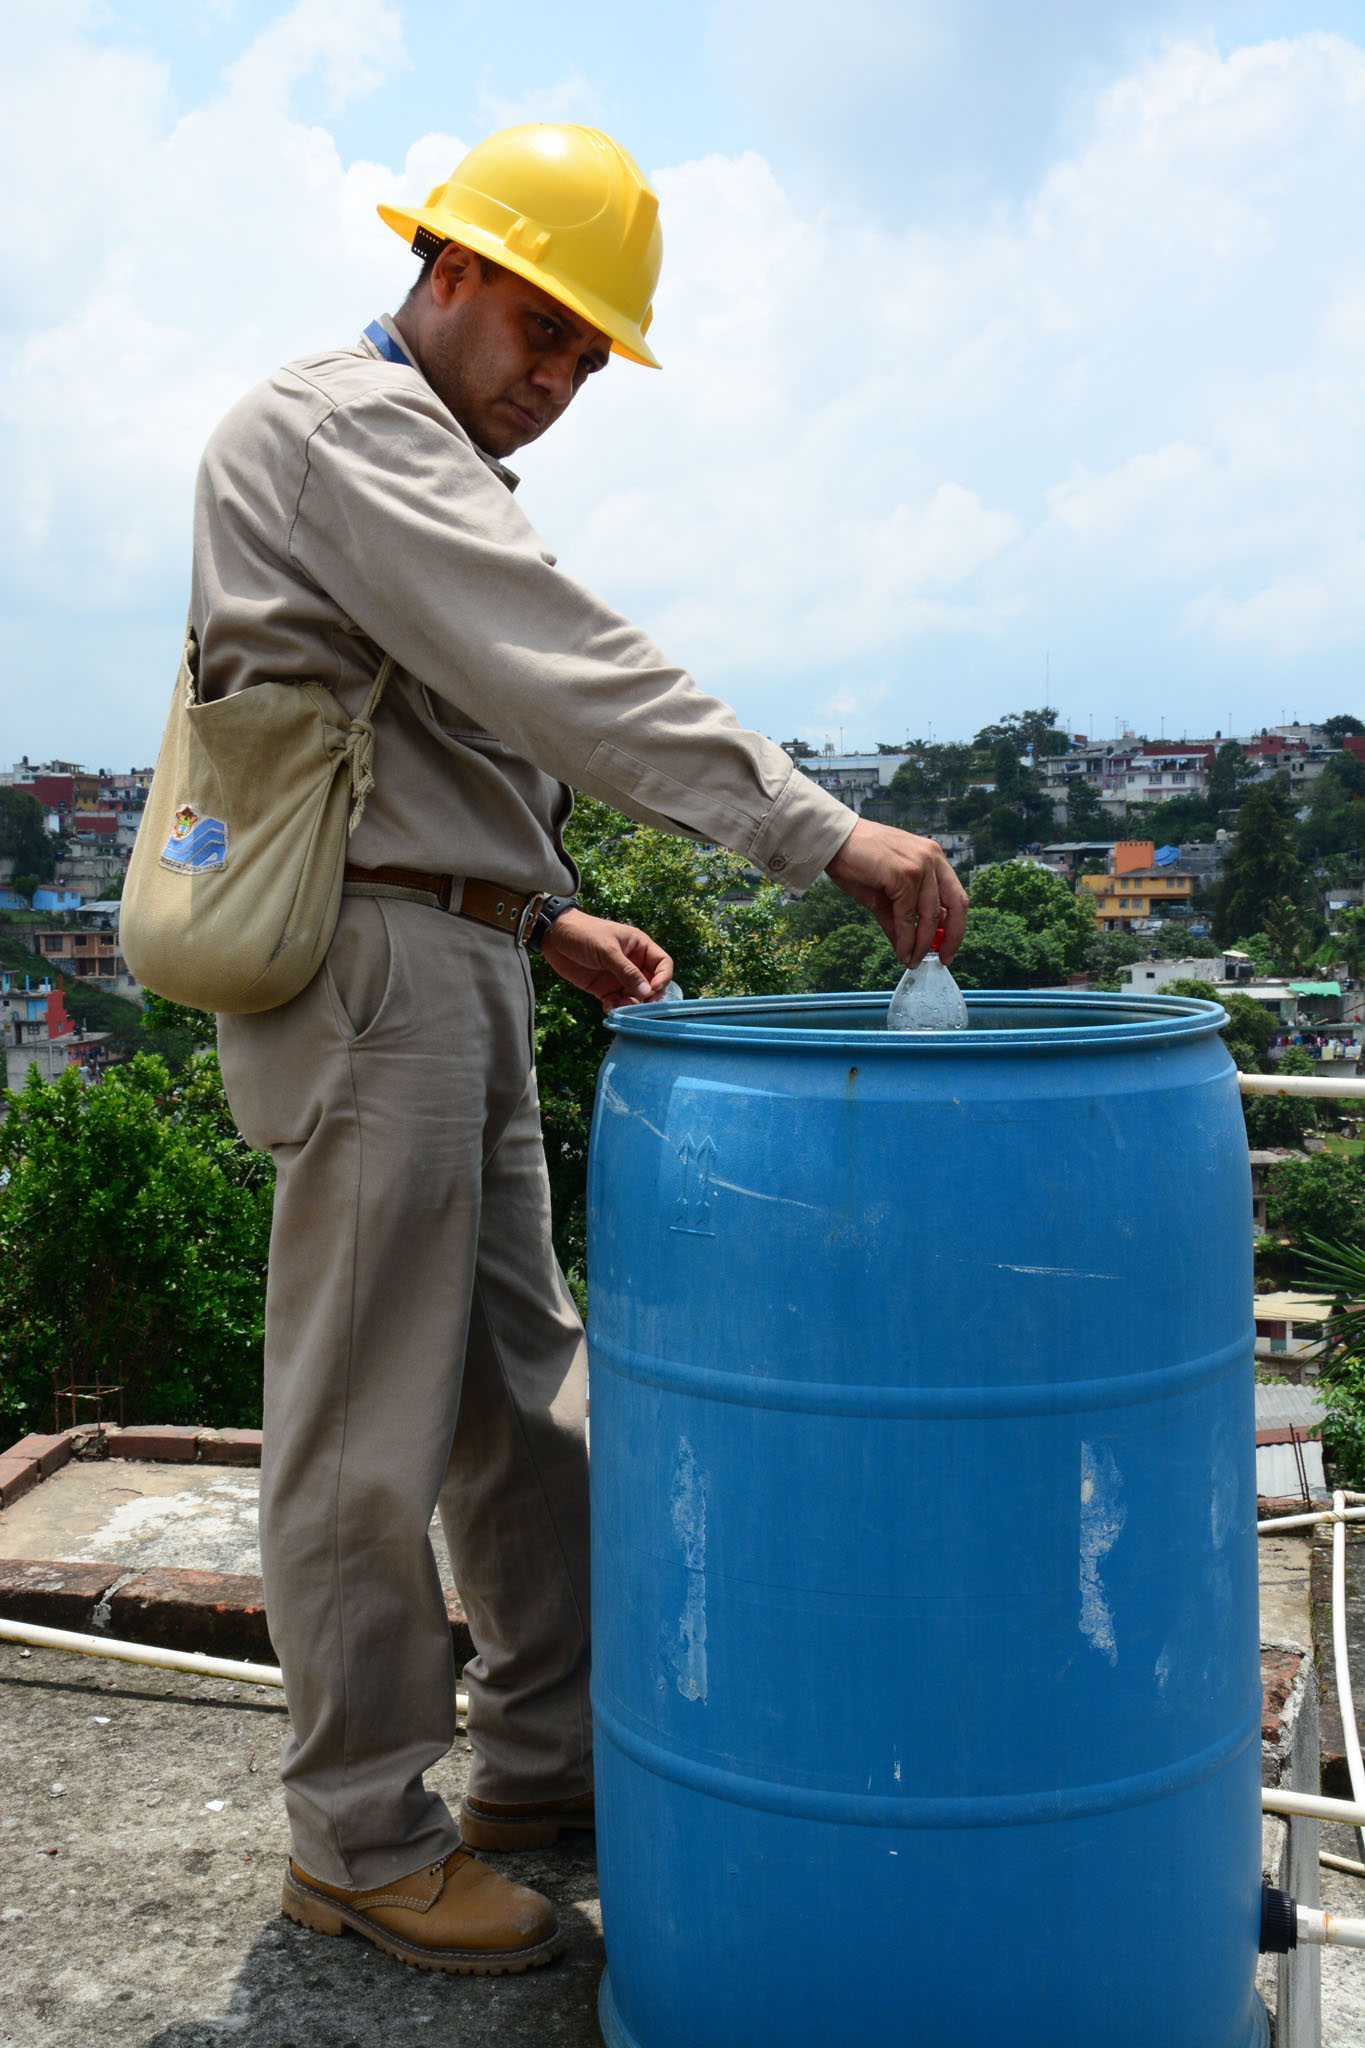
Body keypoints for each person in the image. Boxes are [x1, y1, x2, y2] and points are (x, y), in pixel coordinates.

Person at [199, 122, 967, 1976]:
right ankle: (361, 1843)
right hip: (371, 973)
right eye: (540, 330)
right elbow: (568, 667)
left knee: (522, 1406)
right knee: (364, 1440)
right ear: (446, 267)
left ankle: (542, 1763)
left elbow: (414, 726)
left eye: (582, 360)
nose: (554, 381)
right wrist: (817, 827)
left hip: (452, 954)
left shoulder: (420, 448)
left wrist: (534, 916)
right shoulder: (352, 428)